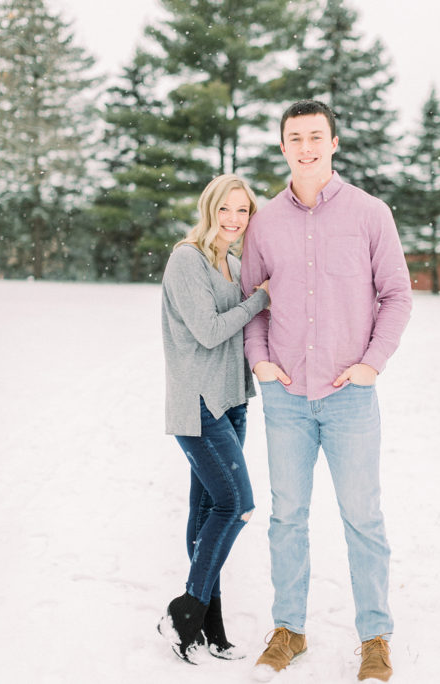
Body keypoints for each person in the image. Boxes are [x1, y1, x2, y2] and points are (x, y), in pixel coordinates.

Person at [240, 100, 412, 683]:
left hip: (349, 398)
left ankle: (374, 637)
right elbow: (253, 301)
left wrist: (372, 363)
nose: (306, 147)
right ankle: (289, 628)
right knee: (287, 516)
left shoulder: (370, 213)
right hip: (286, 398)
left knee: (362, 517)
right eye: (295, 138)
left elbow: (397, 295)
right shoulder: (264, 222)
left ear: (334, 143)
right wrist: (259, 361)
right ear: (283, 146)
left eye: (316, 136)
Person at [157, 173, 271, 663]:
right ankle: (185, 612)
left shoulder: (234, 261)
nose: (232, 219)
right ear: (209, 208)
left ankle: (209, 624)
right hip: (198, 403)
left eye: (242, 211)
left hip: (233, 399)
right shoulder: (188, 258)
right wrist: (260, 299)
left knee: (207, 512)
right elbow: (207, 331)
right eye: (225, 209)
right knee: (237, 505)